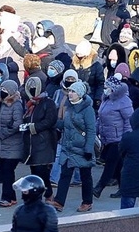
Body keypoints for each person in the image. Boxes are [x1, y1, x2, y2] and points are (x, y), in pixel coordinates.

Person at [49, 81, 96, 213]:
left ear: (80, 94)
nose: (69, 94)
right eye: (69, 91)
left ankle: (87, 202)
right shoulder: (69, 107)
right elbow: (67, 124)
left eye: (72, 91)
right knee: (65, 174)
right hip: (69, 147)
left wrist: (88, 149)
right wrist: (55, 123)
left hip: (82, 148)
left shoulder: (88, 110)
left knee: (85, 176)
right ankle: (59, 202)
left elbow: (91, 130)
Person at [93, 76, 133, 199]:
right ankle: (123, 189)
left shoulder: (124, 101)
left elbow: (129, 120)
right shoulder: (106, 99)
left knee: (110, 162)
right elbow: (100, 118)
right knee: (118, 165)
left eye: (107, 87)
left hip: (119, 138)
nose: (104, 89)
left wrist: (126, 137)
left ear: (113, 88)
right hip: (108, 137)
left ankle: (99, 187)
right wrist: (96, 131)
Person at [0, 79, 23, 207]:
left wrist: (3, 133)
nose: (3, 92)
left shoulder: (16, 105)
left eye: (6, 90)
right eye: (2, 89)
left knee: (7, 171)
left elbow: (17, 124)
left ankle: (6, 197)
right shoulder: (0, 103)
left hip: (12, 146)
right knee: (5, 172)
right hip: (0, 146)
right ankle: (11, 197)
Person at [22, 77, 58, 203]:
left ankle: (48, 193)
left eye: (34, 87)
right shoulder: (30, 103)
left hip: (44, 142)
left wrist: (34, 127)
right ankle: (37, 194)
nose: (31, 89)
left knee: (42, 170)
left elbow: (50, 120)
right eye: (29, 87)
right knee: (34, 170)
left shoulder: (48, 103)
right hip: (32, 143)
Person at [72, 40, 104, 111]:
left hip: (90, 95)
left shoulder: (96, 65)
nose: (78, 56)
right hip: (75, 94)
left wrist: (97, 98)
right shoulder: (74, 63)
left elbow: (100, 83)